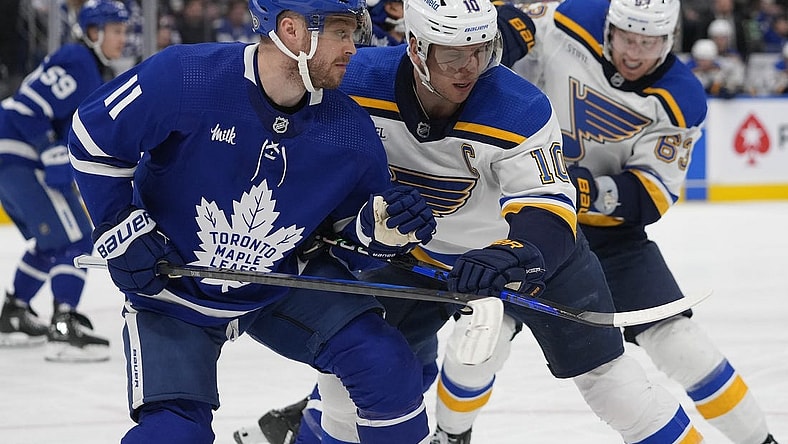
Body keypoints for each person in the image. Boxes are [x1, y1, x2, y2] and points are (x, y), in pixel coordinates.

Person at [235, 1, 712, 443]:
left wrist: (514, 252)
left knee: (614, 386)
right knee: (346, 381)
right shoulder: (356, 82)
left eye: (481, 51)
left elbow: (549, 207)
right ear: (417, 48)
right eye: (452, 55)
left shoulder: (519, 107)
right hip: (408, 256)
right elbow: (300, 154)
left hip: (523, 259)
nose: (469, 69)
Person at [67, 0, 439, 442]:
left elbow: (347, 240)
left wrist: (382, 232)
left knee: (387, 365)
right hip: (172, 290)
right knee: (174, 431)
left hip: (276, 283)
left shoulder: (349, 131)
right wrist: (118, 228)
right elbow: (93, 137)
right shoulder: (187, 76)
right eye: (340, 32)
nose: (352, 48)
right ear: (291, 29)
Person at [419, 0, 780, 443]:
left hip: (611, 240)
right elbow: (496, 34)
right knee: (477, 345)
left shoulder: (681, 98)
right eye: (628, 38)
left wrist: (584, 189)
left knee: (684, 348)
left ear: (670, 40)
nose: (634, 53)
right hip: (521, 223)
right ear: (609, 27)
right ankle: (451, 435)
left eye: (649, 43)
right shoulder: (567, 18)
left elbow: (650, 195)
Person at [0, 0, 128, 362]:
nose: (123, 39)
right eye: (116, 31)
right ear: (93, 32)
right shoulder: (77, 60)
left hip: (11, 155)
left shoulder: (89, 67)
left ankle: (13, 314)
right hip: (19, 153)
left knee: (49, 241)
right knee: (76, 239)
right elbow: (27, 107)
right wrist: (49, 149)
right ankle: (63, 324)